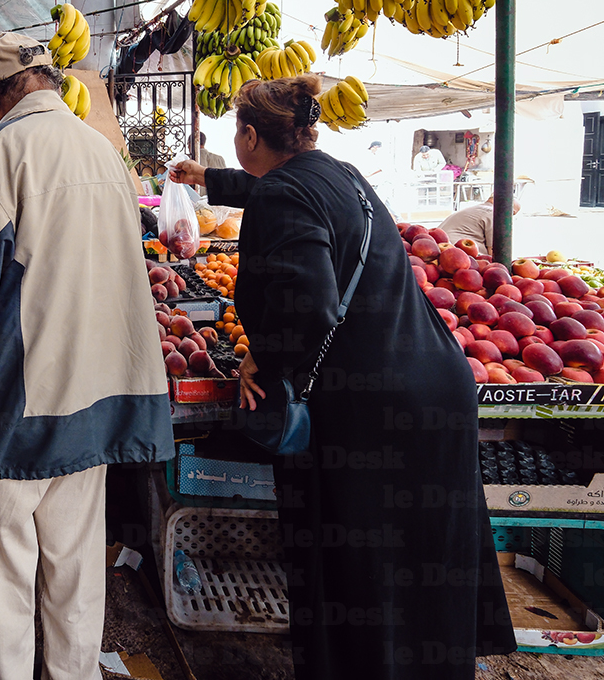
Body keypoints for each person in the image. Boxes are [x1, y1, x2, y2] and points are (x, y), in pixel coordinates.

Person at [169, 75, 513, 679]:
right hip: (433, 382)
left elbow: (311, 304)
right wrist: (210, 181)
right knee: (422, 570)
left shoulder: (283, 193)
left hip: (374, 409)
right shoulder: (341, 173)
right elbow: (287, 197)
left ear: (249, 136)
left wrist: (265, 357)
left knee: (360, 575)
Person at [0, 33, 174, 680]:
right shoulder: (104, 152)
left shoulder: (0, 151)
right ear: (50, 81)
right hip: (94, 411)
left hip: (11, 412)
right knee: (75, 585)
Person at [439, 195, 521, 259]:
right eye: (513, 213)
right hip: (457, 255)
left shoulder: (475, 209)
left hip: (441, 250)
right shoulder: (494, 213)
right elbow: (495, 252)